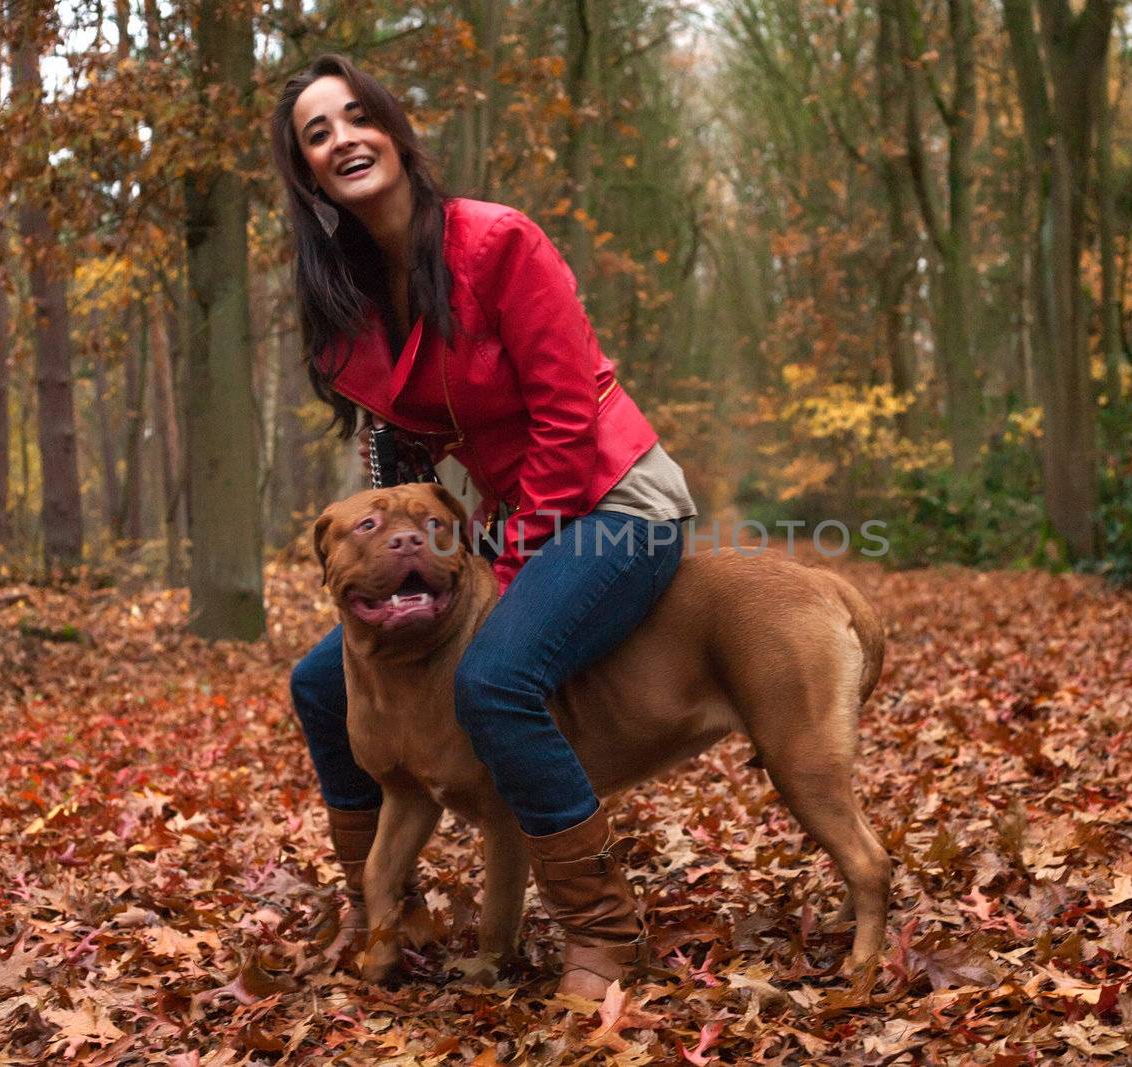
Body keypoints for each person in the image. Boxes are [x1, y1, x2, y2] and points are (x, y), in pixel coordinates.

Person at [270, 54, 696, 999]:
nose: (342, 137)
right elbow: (403, 472)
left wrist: (500, 556)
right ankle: (381, 901)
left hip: (617, 496)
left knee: (495, 677)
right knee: (315, 681)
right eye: (316, 132)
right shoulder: (346, 312)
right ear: (306, 175)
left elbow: (567, 417)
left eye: (355, 116)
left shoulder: (498, 242)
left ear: (394, 130)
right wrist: (389, 543)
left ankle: (598, 930)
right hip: (517, 516)